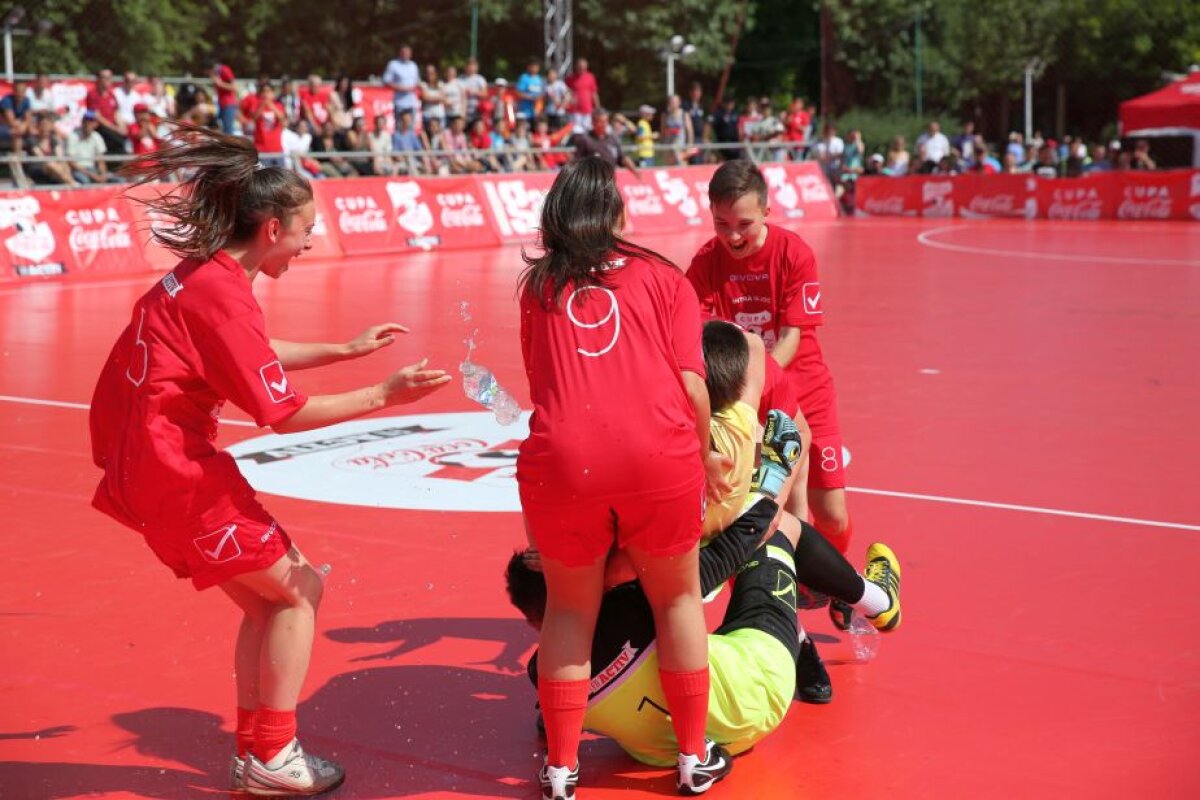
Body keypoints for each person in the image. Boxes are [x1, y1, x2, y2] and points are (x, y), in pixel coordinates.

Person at [88, 125, 452, 796]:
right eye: (304, 229)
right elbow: (282, 414)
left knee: (267, 606)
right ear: (271, 228)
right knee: (299, 593)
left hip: (145, 466)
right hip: (177, 472)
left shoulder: (202, 276)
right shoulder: (222, 293)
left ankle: (257, 754)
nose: (310, 241)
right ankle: (275, 754)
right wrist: (383, 392)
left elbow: (245, 348)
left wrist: (341, 349)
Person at [506, 321, 902, 764]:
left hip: (655, 752)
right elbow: (734, 547)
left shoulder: (546, 674)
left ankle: (848, 612)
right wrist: (773, 479)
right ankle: (873, 600)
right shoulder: (640, 593)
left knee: (746, 537)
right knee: (776, 532)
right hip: (752, 699)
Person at [516, 157, 733, 799]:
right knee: (677, 601)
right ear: (616, 214)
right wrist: (702, 460)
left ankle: (560, 770)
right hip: (655, 458)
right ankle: (692, 758)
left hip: (563, 463)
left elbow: (544, 387)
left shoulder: (538, 288)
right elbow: (694, 388)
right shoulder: (664, 278)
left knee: (570, 609)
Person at [685, 159, 862, 625]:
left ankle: (840, 582)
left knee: (833, 515)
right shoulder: (705, 263)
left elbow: (791, 339)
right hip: (744, 401)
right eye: (722, 224)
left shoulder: (794, 254)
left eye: (743, 224)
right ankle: (779, 616)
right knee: (763, 514)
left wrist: (754, 381)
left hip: (803, 391)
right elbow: (694, 340)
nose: (733, 235)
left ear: (766, 211)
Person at [571, 109, 638, 174]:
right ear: (593, 122)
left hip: (609, 181)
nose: (603, 124)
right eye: (600, 121)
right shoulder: (585, 140)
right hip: (591, 182)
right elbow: (577, 163)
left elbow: (622, 158)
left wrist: (635, 171)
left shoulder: (612, 139)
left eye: (605, 121)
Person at [382, 44, 420, 119]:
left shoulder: (413, 65)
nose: (406, 54)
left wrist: (415, 86)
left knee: (410, 127)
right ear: (400, 53)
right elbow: (386, 81)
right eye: (404, 52)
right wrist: (401, 88)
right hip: (400, 102)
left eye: (407, 52)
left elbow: (417, 81)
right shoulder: (393, 64)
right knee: (399, 127)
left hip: (412, 103)